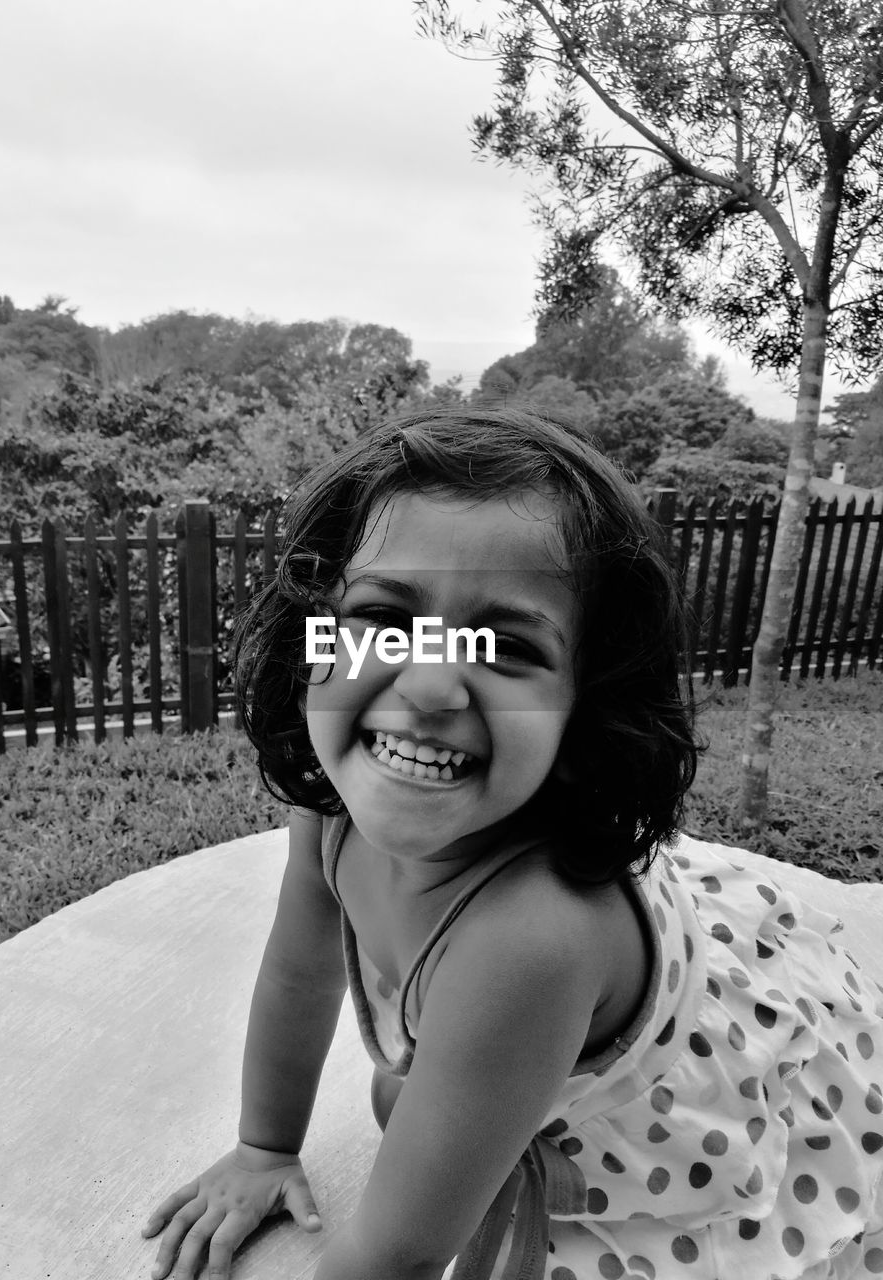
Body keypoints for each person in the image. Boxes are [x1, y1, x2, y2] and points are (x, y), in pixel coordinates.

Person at [142, 408, 883, 1280]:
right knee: (422, 1095)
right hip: (528, 1018)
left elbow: (398, 1253)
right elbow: (299, 973)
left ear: (587, 702)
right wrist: (265, 1148)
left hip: (662, 1133)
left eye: (503, 645)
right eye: (382, 614)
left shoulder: (531, 941)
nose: (426, 685)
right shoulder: (328, 810)